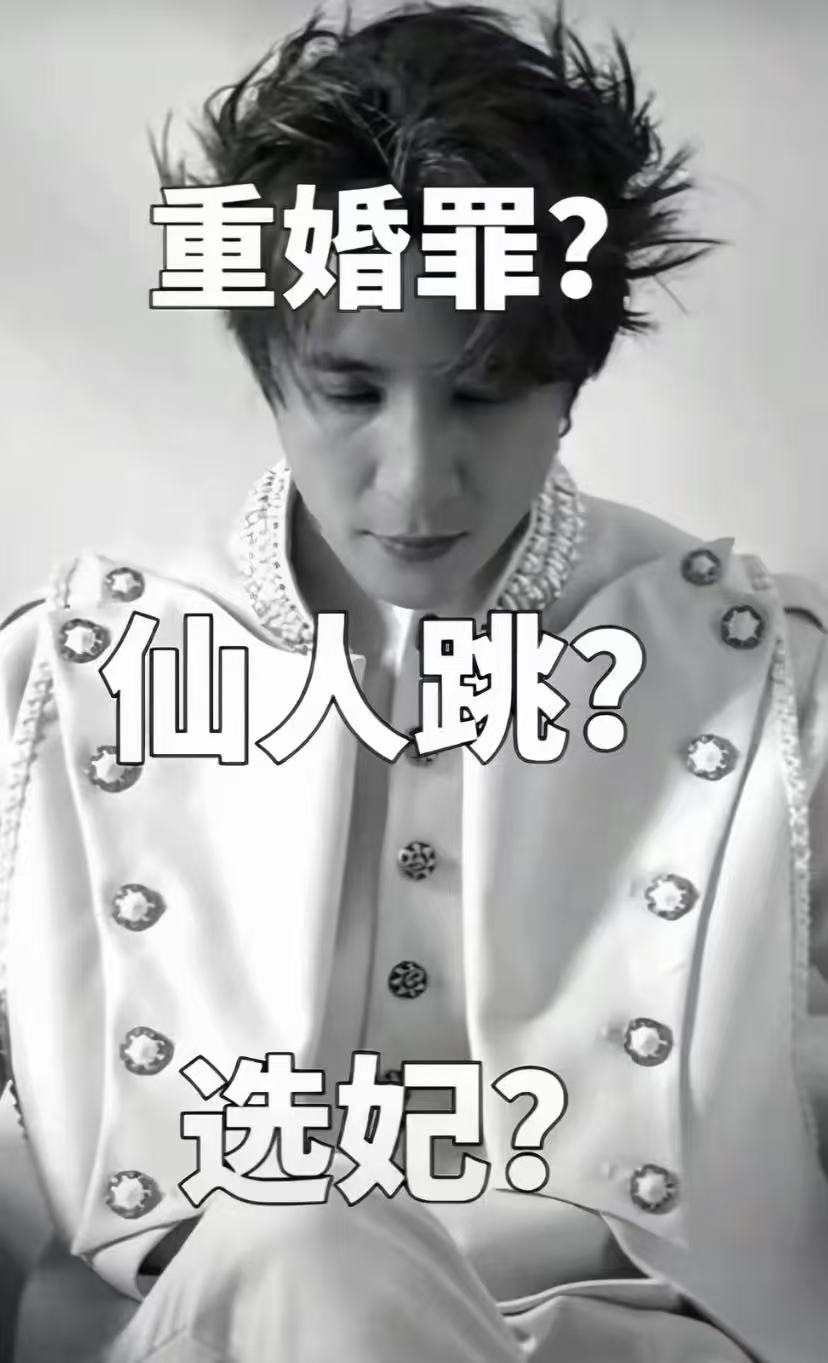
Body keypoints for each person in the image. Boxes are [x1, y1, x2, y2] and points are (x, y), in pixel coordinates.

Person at [1, 4, 827, 1360]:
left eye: (484, 396)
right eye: (349, 392)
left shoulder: (772, 679)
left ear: (572, 383)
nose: (415, 481)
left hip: (635, 1339)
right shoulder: (60, 679)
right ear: (268, 365)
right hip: (208, 1328)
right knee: (301, 1237)